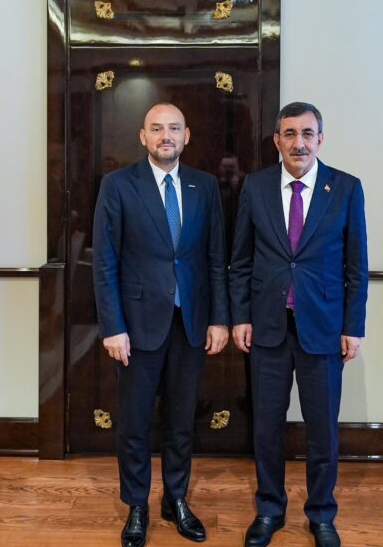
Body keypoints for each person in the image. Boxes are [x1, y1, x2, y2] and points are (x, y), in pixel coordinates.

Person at [93, 102, 230, 547]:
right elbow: (105, 263)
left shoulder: (204, 186)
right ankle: (137, 505)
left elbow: (215, 258)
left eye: (173, 128)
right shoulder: (118, 185)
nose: (165, 136)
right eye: (156, 129)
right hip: (136, 327)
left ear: (186, 136)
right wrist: (112, 326)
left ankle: (176, 499)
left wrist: (219, 319)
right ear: (143, 136)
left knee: (181, 420)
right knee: (134, 422)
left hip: (190, 324)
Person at [230, 102, 367, 547]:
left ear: (320, 139)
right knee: (266, 427)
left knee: (322, 430)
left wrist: (353, 326)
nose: (299, 143)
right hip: (267, 328)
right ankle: (269, 509)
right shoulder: (255, 187)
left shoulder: (345, 188)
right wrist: (240, 316)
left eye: (307, 134)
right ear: (277, 141)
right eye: (289, 134)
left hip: (323, 329)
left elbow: (356, 267)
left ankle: (322, 514)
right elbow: (240, 260)